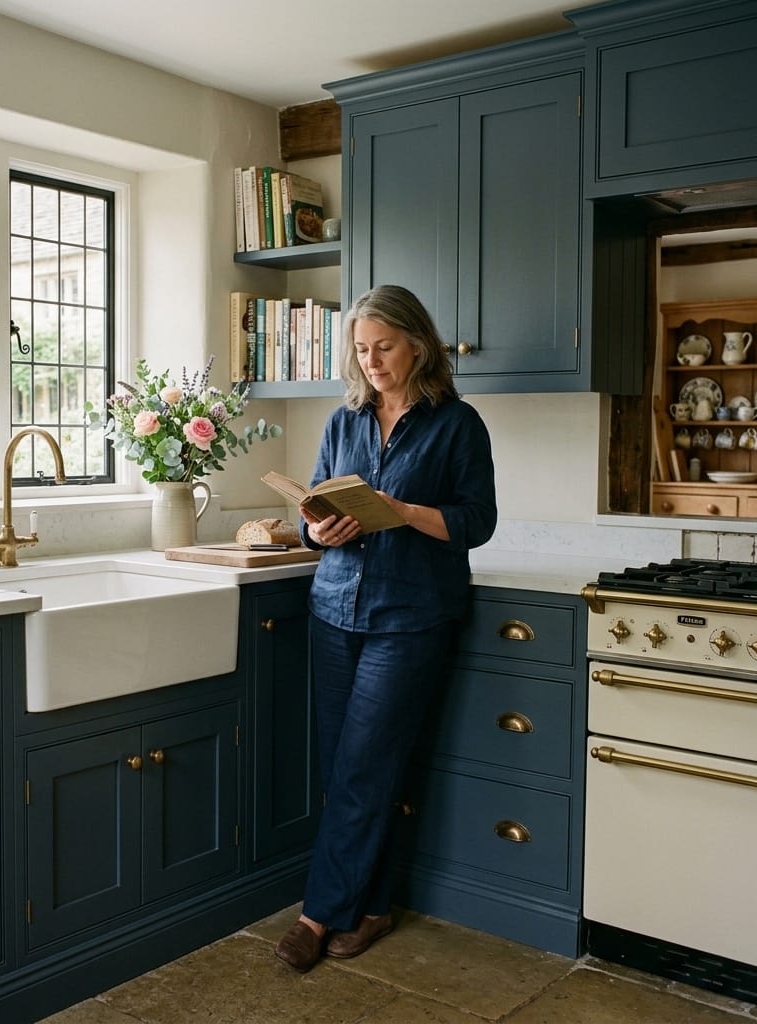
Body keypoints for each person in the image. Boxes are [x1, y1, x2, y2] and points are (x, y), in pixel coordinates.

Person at [274, 284, 498, 973]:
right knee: (349, 765)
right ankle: (372, 906)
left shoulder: (457, 423)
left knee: (365, 766)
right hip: (335, 606)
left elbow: (476, 522)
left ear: (418, 346)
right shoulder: (344, 421)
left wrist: (402, 511)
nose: (371, 361)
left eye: (384, 347)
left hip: (411, 616)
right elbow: (314, 512)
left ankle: (318, 915)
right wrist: (319, 527)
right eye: (362, 350)